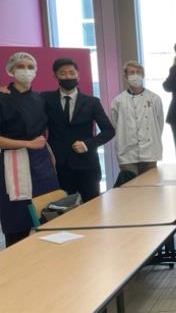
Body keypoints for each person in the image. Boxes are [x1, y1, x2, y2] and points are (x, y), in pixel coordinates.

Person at [0, 52, 59, 247]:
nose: (26, 71)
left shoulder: (39, 98)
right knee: (17, 222)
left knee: (48, 214)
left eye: (30, 67)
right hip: (14, 164)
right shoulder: (2, 98)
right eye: (20, 67)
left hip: (42, 163)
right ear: (11, 70)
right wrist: (28, 144)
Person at [42, 58, 114, 202]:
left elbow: (109, 131)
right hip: (59, 165)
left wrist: (88, 144)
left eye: (71, 73)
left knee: (92, 208)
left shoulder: (92, 102)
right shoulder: (45, 99)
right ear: (55, 76)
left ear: (78, 75)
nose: (68, 76)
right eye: (63, 73)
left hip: (87, 164)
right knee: (63, 210)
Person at [111, 60, 163, 176]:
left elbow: (159, 123)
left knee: (150, 187)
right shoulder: (118, 101)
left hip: (150, 151)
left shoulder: (154, 98)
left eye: (138, 72)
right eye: (132, 72)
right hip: (127, 152)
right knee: (130, 187)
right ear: (125, 76)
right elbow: (115, 124)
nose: (136, 75)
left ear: (143, 75)